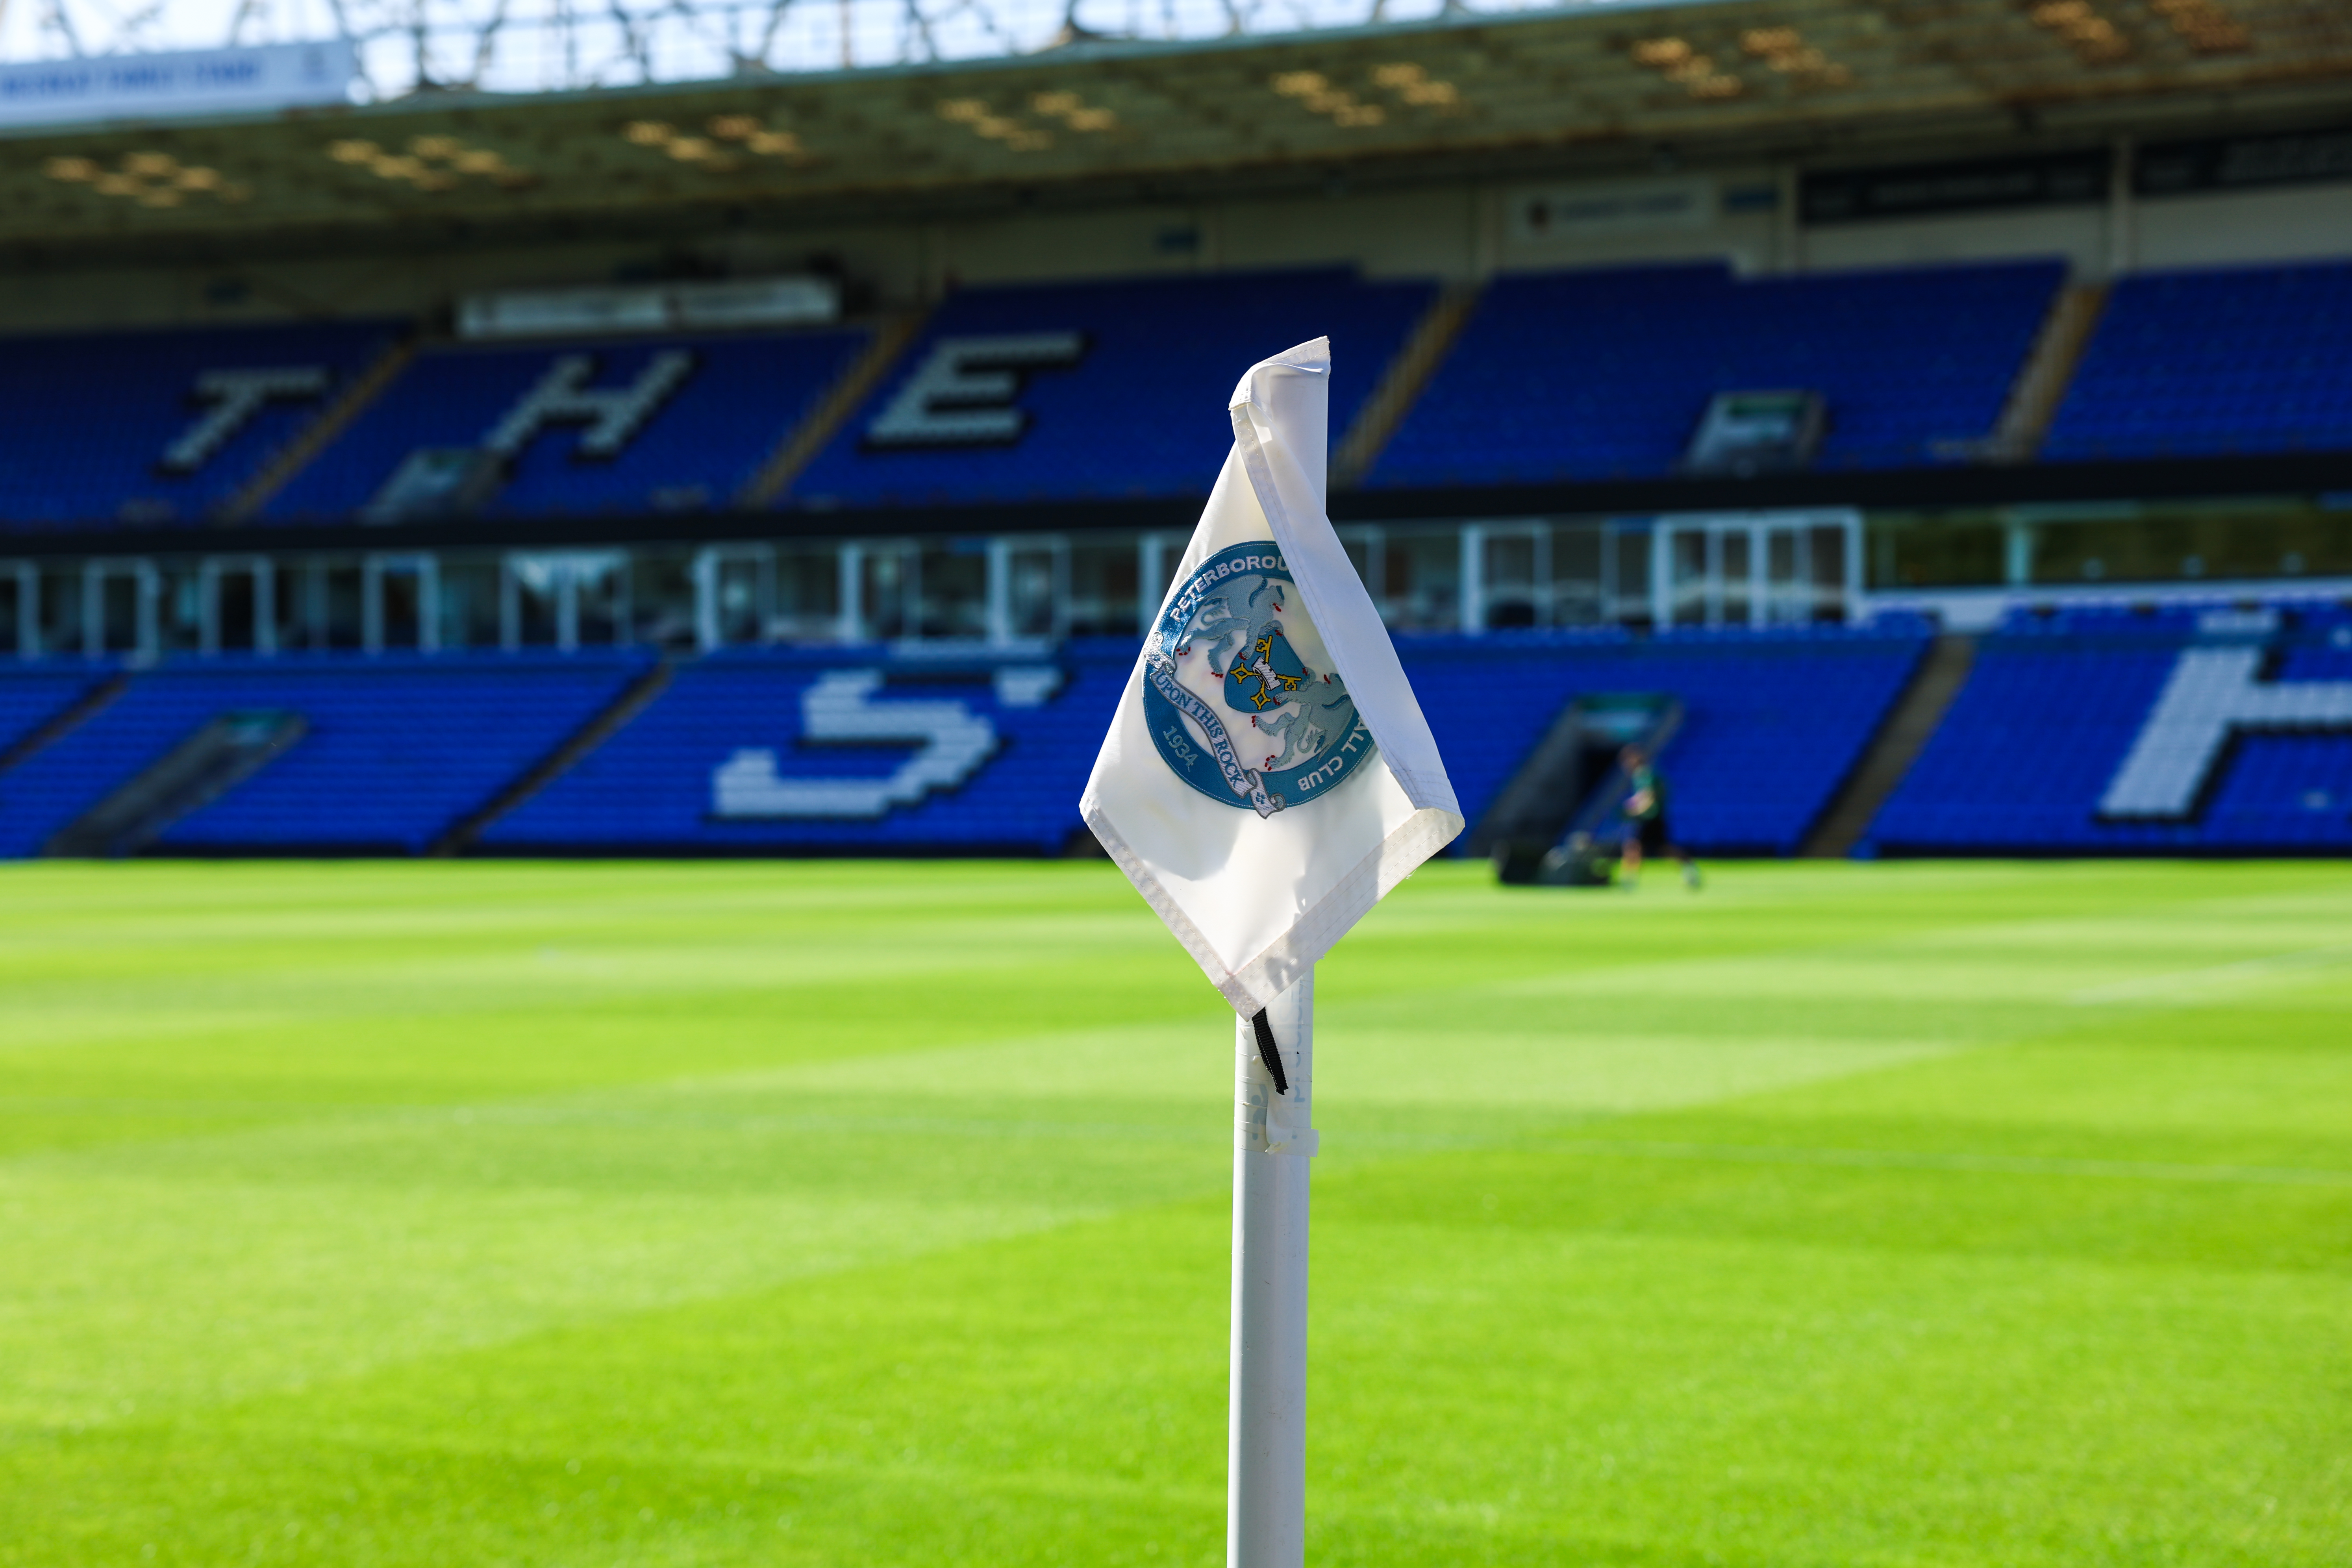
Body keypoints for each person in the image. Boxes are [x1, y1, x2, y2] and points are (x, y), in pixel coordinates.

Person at [1618, 744, 1700, 889]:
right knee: (1636, 847)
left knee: (1656, 848)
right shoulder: (1645, 775)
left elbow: (1648, 796)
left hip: (1651, 818)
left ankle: (1629, 881)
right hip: (1649, 818)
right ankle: (1630, 879)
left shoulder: (1644, 774)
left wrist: (1634, 808)